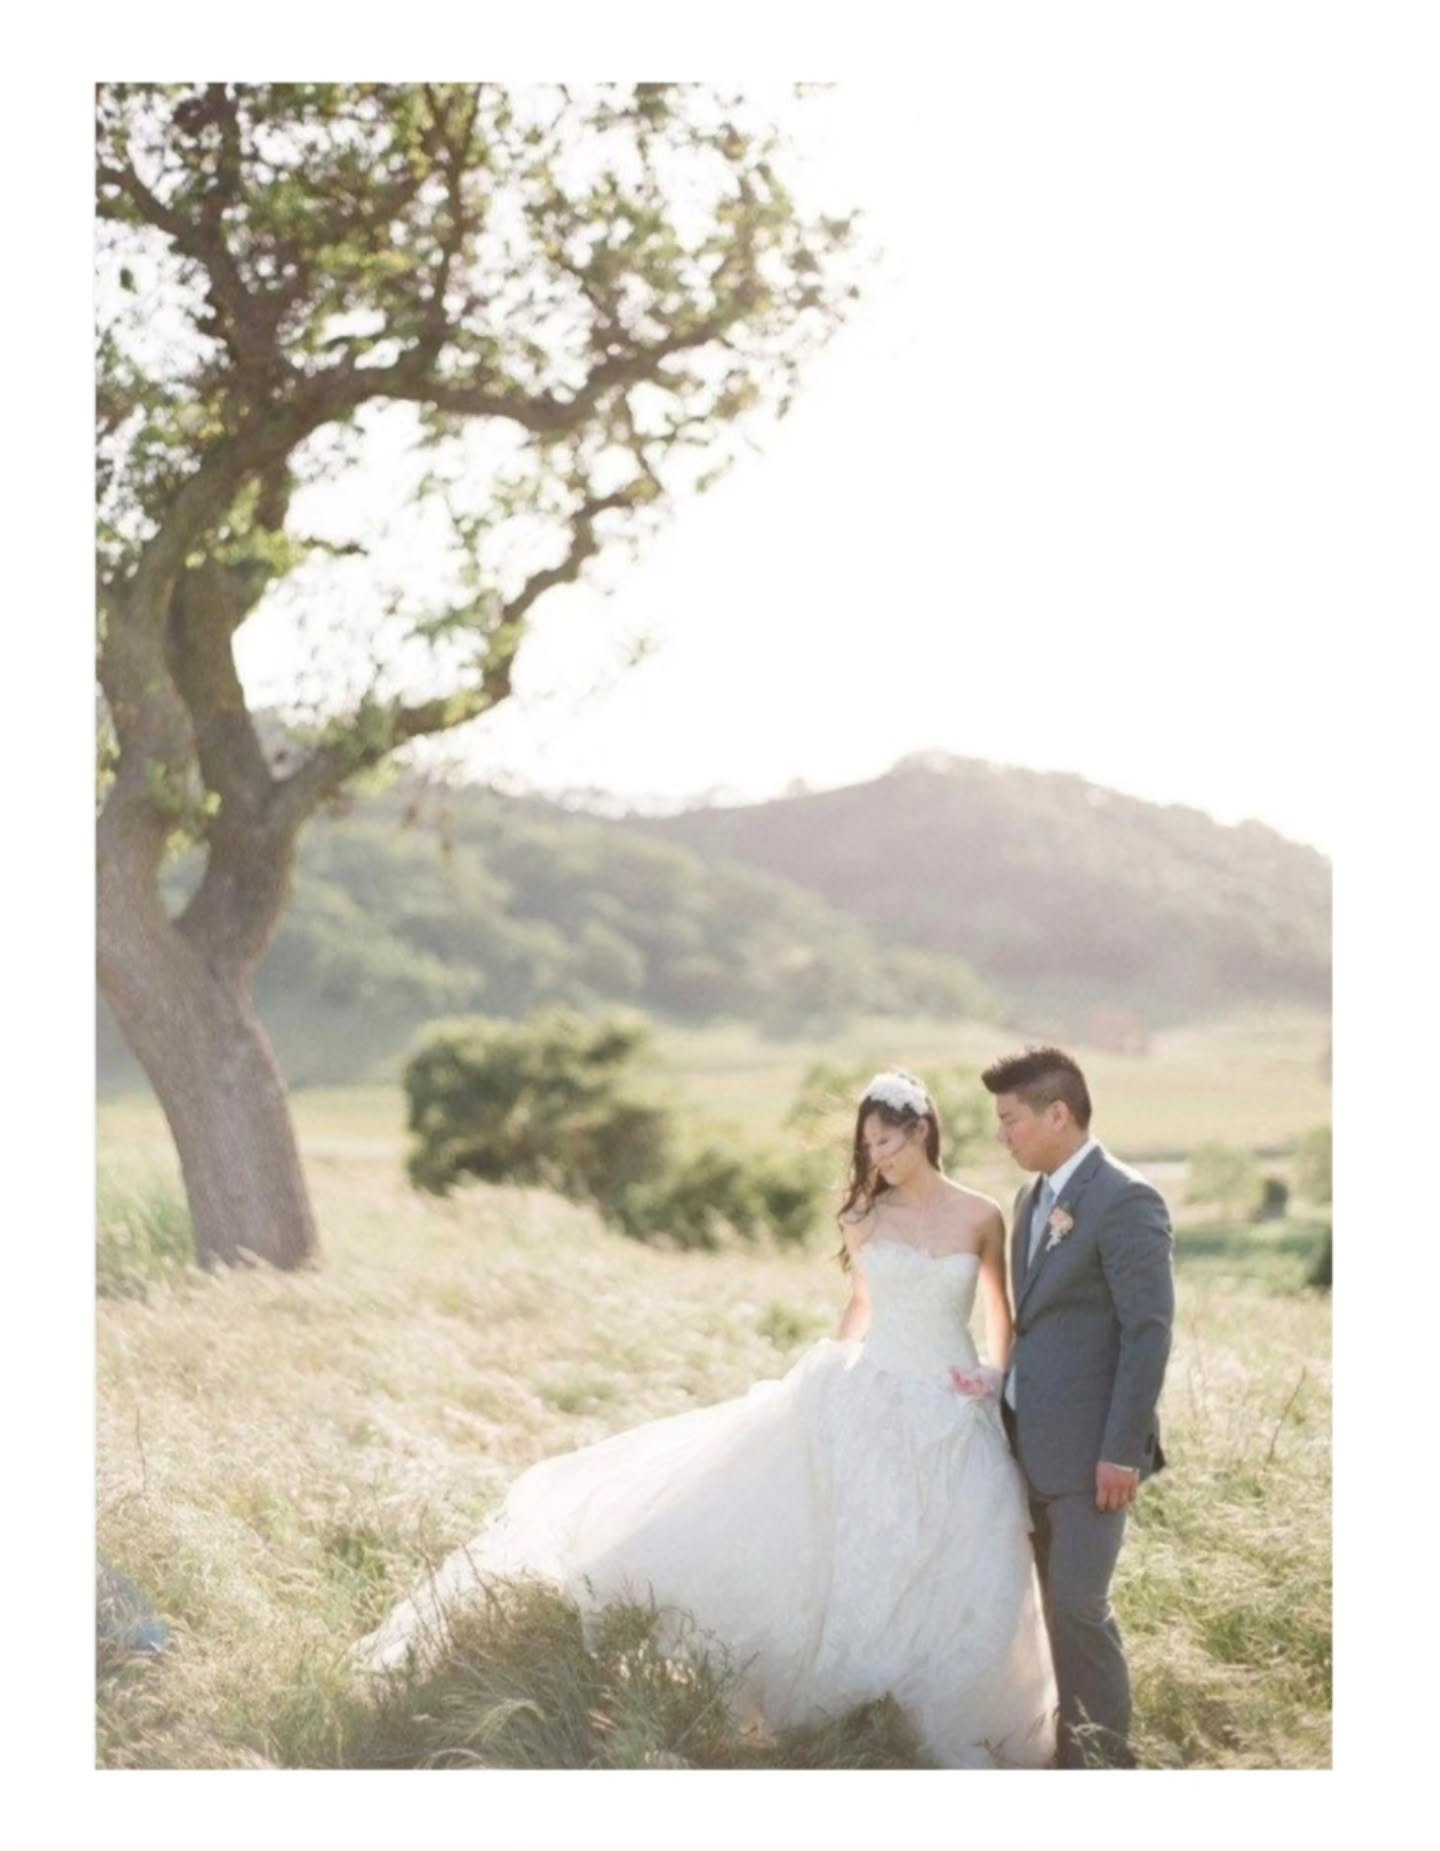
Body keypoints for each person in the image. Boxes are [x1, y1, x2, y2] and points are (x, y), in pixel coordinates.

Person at [352, 1069, 1058, 1768]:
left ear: (922, 1130)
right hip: (874, 1391)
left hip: (953, 1404)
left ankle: (947, 1711)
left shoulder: (981, 1215)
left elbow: (1003, 1318)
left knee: (960, 1556)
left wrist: (992, 1380)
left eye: (888, 1142)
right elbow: (863, 1309)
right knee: (859, 1545)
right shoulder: (866, 1218)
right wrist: (824, 1380)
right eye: (868, 1145)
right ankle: (858, 1708)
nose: (878, 1157)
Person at [982, 1044, 1175, 1769]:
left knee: (1080, 1609)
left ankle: (1104, 1764)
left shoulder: (1126, 1197)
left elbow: (1147, 1330)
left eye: (1010, 1120)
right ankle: (1068, 1751)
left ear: (1057, 1113)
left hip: (1096, 1454)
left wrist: (1122, 1448)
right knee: (1049, 1615)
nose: (1003, 1136)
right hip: (1027, 1447)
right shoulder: (1032, 1199)